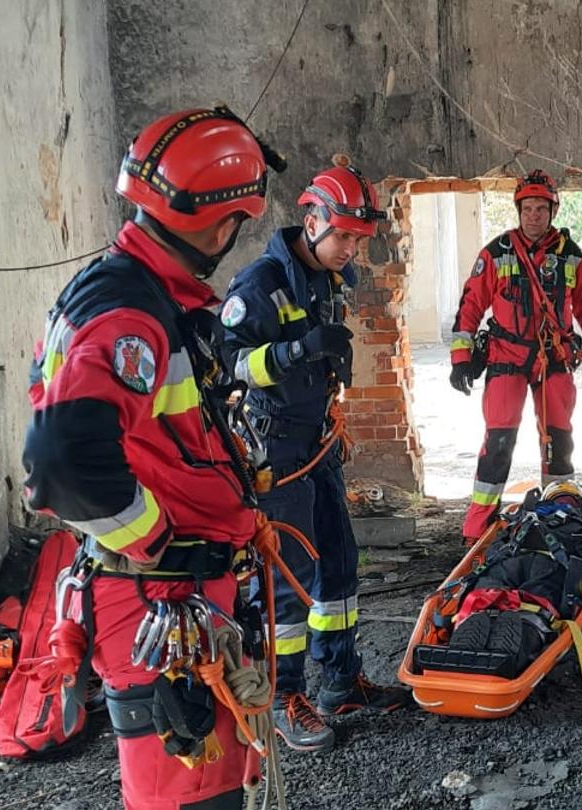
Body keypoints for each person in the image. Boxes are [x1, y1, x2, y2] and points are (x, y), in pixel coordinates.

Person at [22, 106, 280, 810]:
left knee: (214, 780)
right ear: (223, 223)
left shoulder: (149, 299)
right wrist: (156, 541)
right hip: (164, 599)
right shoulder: (129, 315)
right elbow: (61, 463)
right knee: (189, 792)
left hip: (186, 592)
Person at [220, 157, 410, 752]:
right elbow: (227, 365)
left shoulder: (328, 280)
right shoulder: (259, 286)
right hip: (275, 444)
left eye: (359, 238)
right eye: (344, 236)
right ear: (313, 218)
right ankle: (282, 696)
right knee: (288, 577)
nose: (351, 248)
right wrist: (294, 350)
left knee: (340, 563)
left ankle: (339, 679)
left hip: (317, 440)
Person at [447, 170, 582, 541]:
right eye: (527, 208)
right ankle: (477, 528)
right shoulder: (497, 252)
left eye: (541, 208)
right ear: (518, 210)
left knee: (559, 443)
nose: (533, 216)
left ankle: (560, 514)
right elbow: (471, 305)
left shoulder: (569, 255)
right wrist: (460, 358)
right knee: (499, 442)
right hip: (507, 357)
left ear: (552, 211)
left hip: (554, 360)